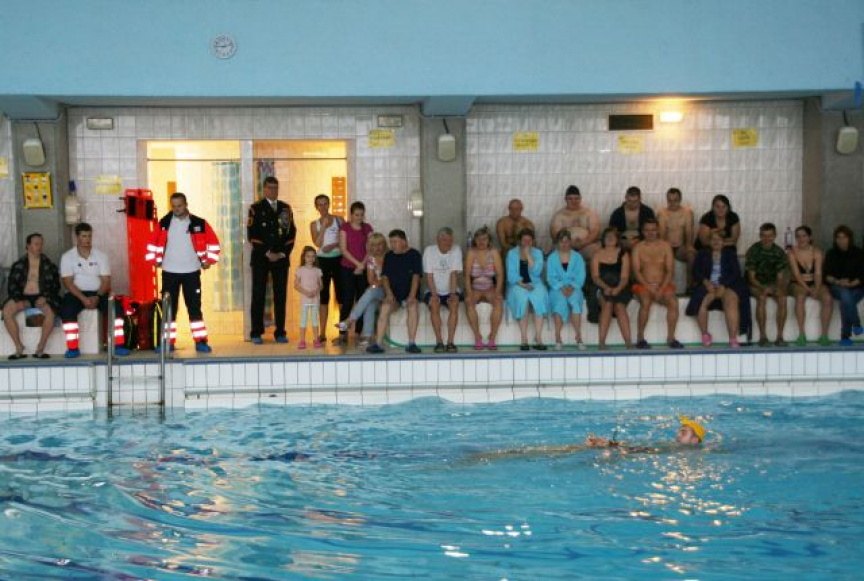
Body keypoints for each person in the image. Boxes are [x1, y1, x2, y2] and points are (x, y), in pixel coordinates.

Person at [146, 193, 220, 353]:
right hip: (169, 272)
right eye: (173, 206)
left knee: (194, 309)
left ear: (186, 204)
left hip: (192, 272)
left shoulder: (199, 223)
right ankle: (167, 342)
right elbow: (152, 243)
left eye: (179, 205)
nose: (176, 209)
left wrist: (209, 260)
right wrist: (154, 260)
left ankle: (200, 342)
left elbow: (214, 243)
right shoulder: (164, 223)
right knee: (169, 310)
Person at [470, 415, 707, 462]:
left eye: (684, 432)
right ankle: (505, 454)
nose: (678, 433)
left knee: (563, 451)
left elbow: (641, 450)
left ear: (695, 441)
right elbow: (640, 448)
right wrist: (608, 443)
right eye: (680, 430)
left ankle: (503, 455)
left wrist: (609, 446)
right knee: (564, 450)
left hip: (617, 455)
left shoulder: (679, 453)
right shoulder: (670, 449)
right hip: (615, 453)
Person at [60, 223, 130, 359]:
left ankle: (119, 345)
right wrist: (83, 298)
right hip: (76, 294)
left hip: (99, 293)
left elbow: (106, 280)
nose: (87, 239)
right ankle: (73, 348)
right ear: (77, 237)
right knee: (67, 310)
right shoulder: (67, 257)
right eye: (84, 236)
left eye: (89, 236)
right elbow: (68, 282)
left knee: (116, 308)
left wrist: (97, 296)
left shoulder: (101, 256)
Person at [247, 176, 296, 345]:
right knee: (258, 295)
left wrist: (282, 253)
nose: (273, 191)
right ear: (264, 189)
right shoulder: (255, 208)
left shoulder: (285, 208)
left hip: (281, 259)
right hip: (261, 259)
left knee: (280, 296)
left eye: (276, 188)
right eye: (270, 188)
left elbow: (291, 234)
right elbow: (252, 235)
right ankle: (256, 332)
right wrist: (268, 253)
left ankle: (280, 332)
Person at [686, 230, 751, 347]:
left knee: (731, 301)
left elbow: (736, 273)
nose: (716, 242)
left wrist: (723, 285)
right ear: (709, 241)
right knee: (702, 302)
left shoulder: (730, 253)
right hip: (708, 286)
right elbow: (696, 271)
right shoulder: (702, 253)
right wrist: (706, 282)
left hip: (726, 285)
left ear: (723, 242)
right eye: (713, 239)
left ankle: (732, 338)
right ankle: (705, 335)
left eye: (719, 239)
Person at [3, 233, 61, 359]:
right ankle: (19, 347)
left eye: (41, 244)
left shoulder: (49, 265)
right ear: (28, 246)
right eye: (36, 244)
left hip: (42, 296)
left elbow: (56, 286)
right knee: (6, 311)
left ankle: (40, 348)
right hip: (23, 297)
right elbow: (12, 285)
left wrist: (45, 297)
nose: (39, 247)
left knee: (51, 312)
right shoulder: (18, 264)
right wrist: (18, 299)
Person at [366, 230, 423, 354]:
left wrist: (412, 296)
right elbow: (385, 277)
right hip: (394, 295)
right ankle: (378, 343)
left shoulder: (414, 254)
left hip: (409, 294)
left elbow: (416, 277)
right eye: (391, 242)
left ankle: (411, 343)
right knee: (385, 307)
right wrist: (389, 294)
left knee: (413, 307)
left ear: (404, 241)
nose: (392, 245)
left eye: (395, 242)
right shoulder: (389, 256)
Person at [631, 218, 683, 349]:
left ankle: (671, 338)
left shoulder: (666, 246)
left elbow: (670, 271)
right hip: (643, 285)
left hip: (663, 285)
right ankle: (640, 338)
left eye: (653, 230)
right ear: (643, 231)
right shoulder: (638, 248)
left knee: (673, 302)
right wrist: (649, 287)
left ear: (658, 230)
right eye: (647, 230)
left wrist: (661, 289)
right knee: (645, 302)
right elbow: (637, 272)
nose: (650, 233)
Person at [337, 232, 387, 347]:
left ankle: (350, 321)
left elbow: (391, 279)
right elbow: (371, 281)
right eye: (373, 245)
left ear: (384, 244)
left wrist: (379, 283)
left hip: (390, 291)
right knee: (370, 297)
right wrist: (379, 283)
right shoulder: (371, 259)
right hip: (378, 291)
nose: (377, 248)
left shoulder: (390, 257)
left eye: (379, 244)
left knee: (370, 293)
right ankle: (367, 336)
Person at [745, 223, 790, 347]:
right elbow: (751, 278)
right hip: (755, 284)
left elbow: (780, 277)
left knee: (782, 298)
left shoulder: (779, 252)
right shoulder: (754, 251)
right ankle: (763, 337)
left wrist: (776, 288)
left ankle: (780, 337)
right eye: (764, 236)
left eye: (770, 236)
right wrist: (764, 288)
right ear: (760, 236)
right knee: (761, 297)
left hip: (772, 284)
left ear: (775, 236)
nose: (767, 239)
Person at [787, 225, 832, 346]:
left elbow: (818, 273)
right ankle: (802, 334)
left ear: (810, 237)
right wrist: (808, 289)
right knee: (800, 297)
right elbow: (796, 274)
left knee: (827, 298)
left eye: (804, 236)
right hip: (797, 283)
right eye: (798, 236)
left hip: (814, 282)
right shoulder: (792, 253)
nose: (801, 239)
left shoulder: (817, 252)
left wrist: (816, 288)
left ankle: (824, 335)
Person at [506, 228, 549, 351]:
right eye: (524, 240)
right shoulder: (512, 253)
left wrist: (528, 255)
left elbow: (537, 271)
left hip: (534, 283)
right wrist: (523, 285)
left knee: (540, 297)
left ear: (533, 241)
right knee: (522, 299)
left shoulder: (537, 253)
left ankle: (538, 337)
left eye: (529, 240)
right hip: (517, 284)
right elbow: (511, 275)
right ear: (520, 241)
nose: (527, 243)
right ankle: (524, 338)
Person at [337, 201, 373, 345]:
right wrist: (358, 264)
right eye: (356, 215)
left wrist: (362, 265)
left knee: (361, 300)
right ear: (351, 215)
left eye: (361, 215)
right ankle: (342, 333)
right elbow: (343, 249)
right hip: (347, 268)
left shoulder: (367, 228)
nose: (359, 218)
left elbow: (371, 248)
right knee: (347, 300)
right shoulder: (344, 227)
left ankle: (358, 332)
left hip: (363, 268)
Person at [423, 227, 463, 353]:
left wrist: (453, 294)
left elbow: (453, 274)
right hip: (433, 289)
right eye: (445, 240)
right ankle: (439, 341)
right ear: (438, 240)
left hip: (451, 288)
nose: (448, 243)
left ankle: (450, 342)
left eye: (450, 240)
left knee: (454, 304)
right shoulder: (429, 251)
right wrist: (434, 295)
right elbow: (429, 276)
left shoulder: (456, 250)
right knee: (434, 305)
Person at [592, 227, 633, 350]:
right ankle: (601, 342)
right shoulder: (597, 254)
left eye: (612, 236)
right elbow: (595, 277)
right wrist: (606, 287)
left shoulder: (623, 254)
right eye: (607, 236)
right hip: (601, 287)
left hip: (621, 287)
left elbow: (625, 277)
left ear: (617, 239)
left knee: (619, 306)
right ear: (603, 239)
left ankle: (628, 343)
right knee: (608, 304)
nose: (610, 239)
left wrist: (618, 289)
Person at [310, 194, 343, 344]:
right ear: (316, 207)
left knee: (341, 296)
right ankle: (322, 333)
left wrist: (334, 245)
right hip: (322, 261)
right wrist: (323, 226)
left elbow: (345, 240)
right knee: (323, 297)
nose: (323, 207)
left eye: (325, 203)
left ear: (329, 204)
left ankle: (342, 332)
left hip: (338, 260)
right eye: (320, 204)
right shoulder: (314, 224)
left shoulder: (339, 220)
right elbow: (317, 243)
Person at [464, 226, 504, 351]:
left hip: (490, 288)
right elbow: (466, 276)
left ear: (489, 240)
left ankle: (492, 338)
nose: (482, 242)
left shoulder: (494, 253)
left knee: (498, 302)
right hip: (475, 288)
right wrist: (469, 293)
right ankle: (478, 337)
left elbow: (500, 274)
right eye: (479, 239)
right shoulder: (471, 253)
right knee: (469, 303)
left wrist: (497, 292)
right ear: (475, 240)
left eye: (484, 239)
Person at [823, 225, 864, 347]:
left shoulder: (859, 253)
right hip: (837, 287)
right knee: (845, 294)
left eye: (844, 237)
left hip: (856, 286)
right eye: (838, 237)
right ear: (835, 239)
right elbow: (827, 275)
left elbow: (862, 275)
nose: (841, 240)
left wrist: (851, 283)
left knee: (845, 301)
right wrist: (838, 282)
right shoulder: (831, 253)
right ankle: (856, 324)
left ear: (849, 238)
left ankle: (845, 336)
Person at [546, 230, 586, 350]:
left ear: (570, 242)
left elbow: (581, 275)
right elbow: (550, 277)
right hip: (557, 288)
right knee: (559, 303)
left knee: (575, 303)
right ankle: (558, 338)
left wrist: (572, 287)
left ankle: (578, 337)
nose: (564, 244)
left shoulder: (577, 257)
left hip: (574, 287)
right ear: (557, 243)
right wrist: (561, 287)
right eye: (561, 241)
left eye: (567, 241)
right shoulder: (552, 258)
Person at [657, 187, 696, 289]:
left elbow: (689, 233)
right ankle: (661, 287)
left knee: (691, 255)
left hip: (680, 248)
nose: (672, 203)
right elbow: (662, 235)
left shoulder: (687, 213)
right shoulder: (662, 214)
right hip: (666, 246)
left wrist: (689, 247)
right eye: (670, 201)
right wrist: (666, 251)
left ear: (680, 199)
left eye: (675, 200)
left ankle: (690, 286)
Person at [550, 185, 601, 261]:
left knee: (596, 250)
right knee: (555, 250)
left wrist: (583, 243)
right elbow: (555, 235)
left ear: (580, 199)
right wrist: (569, 244)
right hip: (565, 246)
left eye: (576, 198)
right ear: (565, 199)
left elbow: (595, 231)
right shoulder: (559, 215)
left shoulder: (589, 213)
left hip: (586, 246)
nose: (574, 201)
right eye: (570, 199)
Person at [608, 186, 656, 251]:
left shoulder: (648, 212)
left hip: (643, 241)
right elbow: (611, 231)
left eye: (635, 201)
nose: (632, 204)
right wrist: (621, 241)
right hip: (622, 242)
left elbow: (653, 230)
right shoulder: (617, 213)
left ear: (640, 199)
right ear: (625, 198)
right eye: (629, 201)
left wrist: (639, 240)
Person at [293, 246, 323, 349]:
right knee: (303, 319)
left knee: (315, 319)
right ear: (304, 257)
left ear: (315, 258)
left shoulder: (317, 270)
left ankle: (316, 339)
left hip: (315, 299)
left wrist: (315, 291)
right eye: (308, 256)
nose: (310, 258)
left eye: (313, 256)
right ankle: (302, 340)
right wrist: (306, 292)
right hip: (305, 299)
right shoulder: (300, 270)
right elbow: (296, 285)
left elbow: (321, 285)